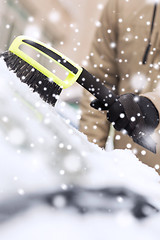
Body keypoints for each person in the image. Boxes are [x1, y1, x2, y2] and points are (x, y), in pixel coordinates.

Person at [79, 0, 160, 174]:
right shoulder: (120, 5)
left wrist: (154, 106)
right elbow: (100, 79)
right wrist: (88, 160)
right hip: (127, 173)